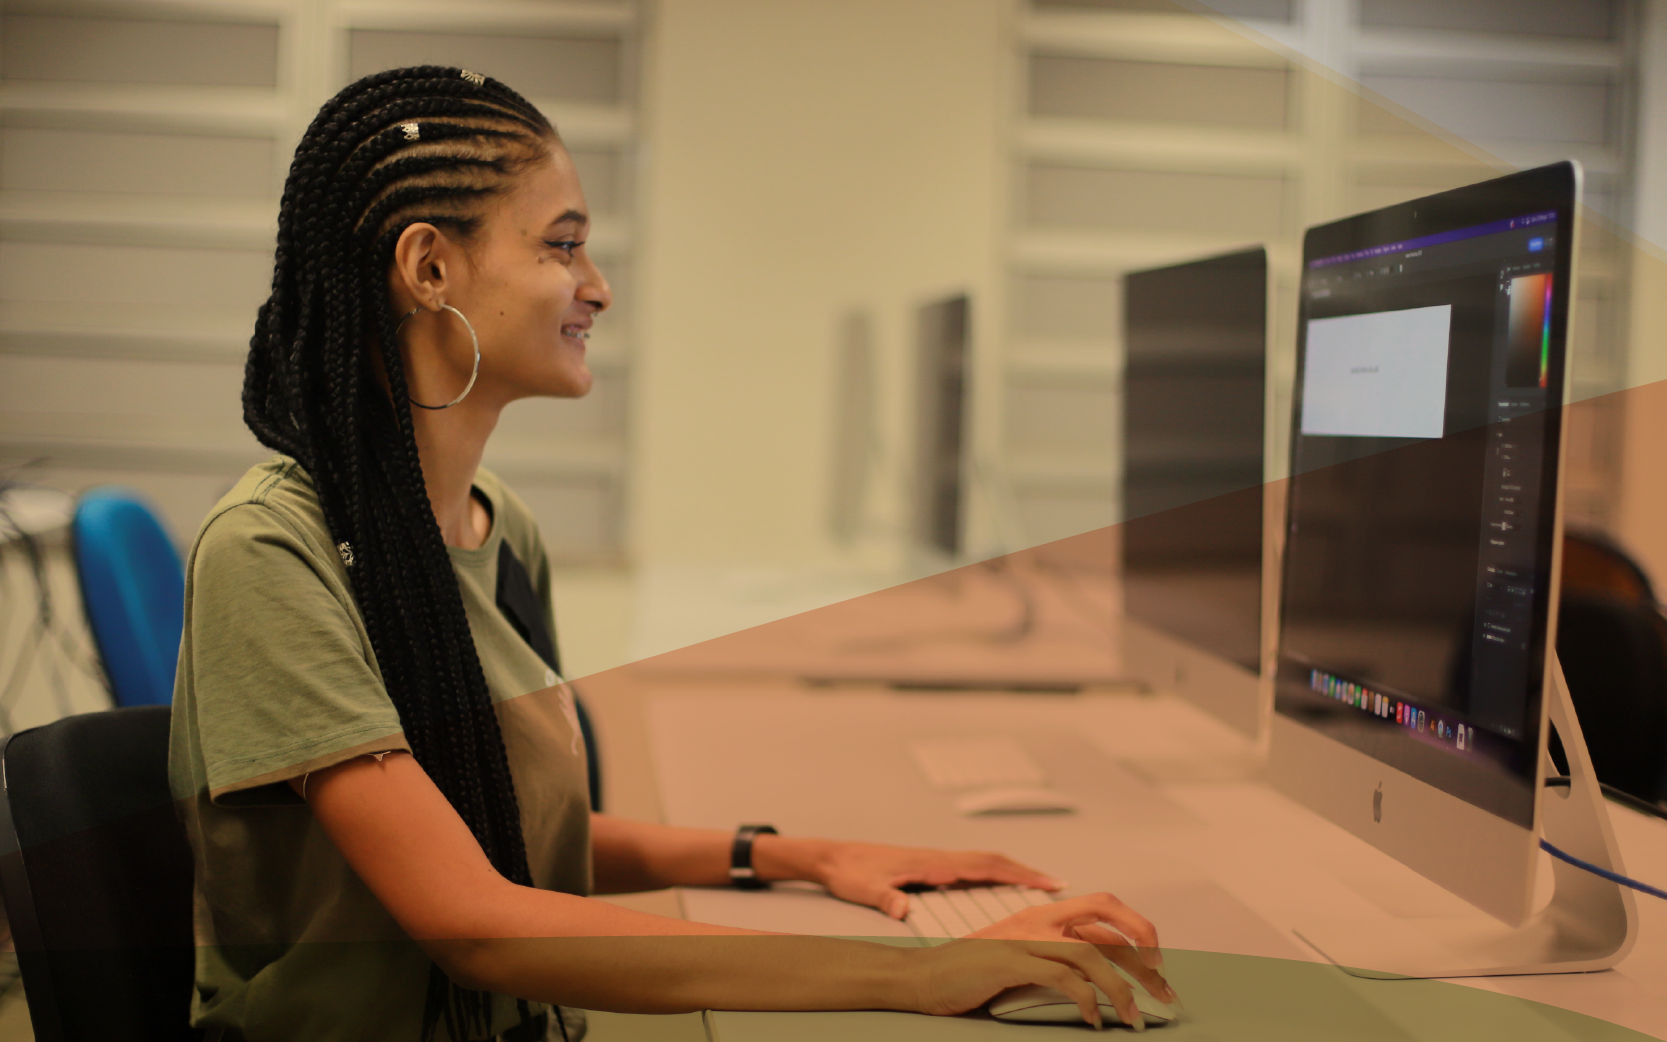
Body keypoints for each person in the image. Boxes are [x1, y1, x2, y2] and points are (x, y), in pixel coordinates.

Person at [168, 66, 1173, 1042]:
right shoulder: (271, 549)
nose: (596, 289)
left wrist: (802, 855)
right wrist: (919, 975)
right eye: (562, 247)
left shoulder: (494, 525)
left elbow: (519, 835)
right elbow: (475, 924)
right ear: (429, 268)